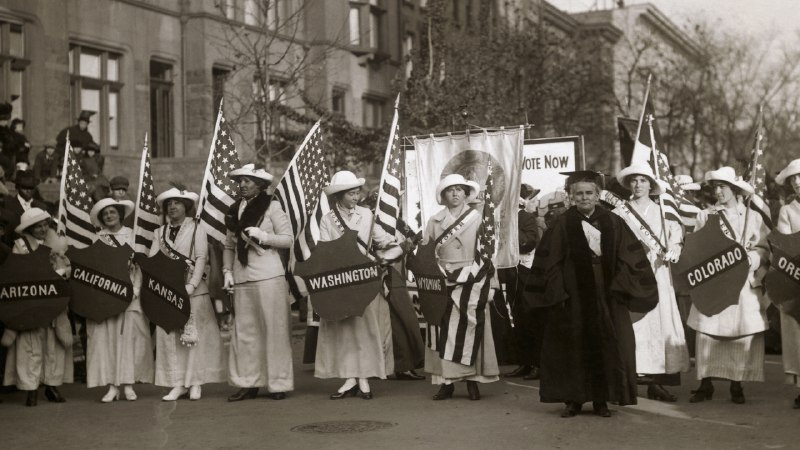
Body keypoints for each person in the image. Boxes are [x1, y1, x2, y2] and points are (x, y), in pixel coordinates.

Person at [528, 170, 658, 418]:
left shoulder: (612, 222)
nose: (584, 197)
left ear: (598, 195)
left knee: (607, 343)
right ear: (571, 196)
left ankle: (602, 400)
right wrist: (557, 292)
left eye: (589, 193)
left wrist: (621, 284)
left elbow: (629, 258)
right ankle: (573, 400)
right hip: (573, 294)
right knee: (572, 345)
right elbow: (550, 262)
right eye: (579, 194)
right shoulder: (563, 223)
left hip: (606, 292)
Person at [315, 170, 409, 400]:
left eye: (357, 193)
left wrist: (392, 250)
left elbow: (384, 240)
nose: (355, 197)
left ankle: (364, 378)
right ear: (339, 195)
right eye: (350, 193)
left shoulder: (367, 215)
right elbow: (325, 250)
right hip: (341, 280)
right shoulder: (328, 219)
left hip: (366, 279)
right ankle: (349, 378)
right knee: (345, 331)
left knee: (366, 330)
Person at [687, 167, 769, 404]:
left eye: (723, 187)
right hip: (713, 281)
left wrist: (751, 259)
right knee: (708, 332)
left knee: (738, 333)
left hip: (742, 283)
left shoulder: (752, 218)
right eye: (715, 187)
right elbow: (695, 248)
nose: (718, 191)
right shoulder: (706, 216)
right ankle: (705, 383)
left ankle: (737, 383)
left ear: (734, 190)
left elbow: (763, 249)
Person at [614, 164, 690, 401]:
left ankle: (657, 382)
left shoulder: (663, 211)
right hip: (631, 274)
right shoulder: (620, 212)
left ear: (650, 184)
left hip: (658, 273)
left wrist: (675, 248)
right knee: (634, 325)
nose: (638, 185)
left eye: (643, 181)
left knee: (660, 323)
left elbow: (675, 235)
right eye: (634, 181)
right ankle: (630, 378)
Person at [423, 173, 500, 401]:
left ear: (466, 194)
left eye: (460, 189)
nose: (455, 193)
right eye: (450, 190)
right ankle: (446, 382)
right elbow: (426, 253)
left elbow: (488, 255)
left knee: (471, 329)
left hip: (472, 279)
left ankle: (472, 381)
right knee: (443, 332)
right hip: (442, 280)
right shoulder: (434, 221)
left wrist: (492, 285)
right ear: (443, 195)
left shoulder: (478, 219)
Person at [222, 164, 294, 402]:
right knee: (245, 333)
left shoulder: (272, 206)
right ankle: (248, 382)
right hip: (242, 275)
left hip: (268, 275)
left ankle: (278, 382)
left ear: (260, 185)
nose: (242, 185)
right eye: (240, 181)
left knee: (274, 330)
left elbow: (287, 239)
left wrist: (264, 236)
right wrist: (226, 271)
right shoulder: (234, 211)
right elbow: (229, 245)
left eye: (248, 181)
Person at [149, 186, 226, 401]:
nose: (173, 207)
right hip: (168, 292)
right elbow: (154, 260)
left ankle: (196, 382)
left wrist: (191, 285)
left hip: (194, 291)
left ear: (186, 207)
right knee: (171, 337)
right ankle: (177, 383)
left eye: (177, 203)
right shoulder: (159, 232)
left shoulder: (197, 228)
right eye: (169, 204)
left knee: (193, 336)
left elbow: (201, 258)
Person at [1, 208, 73, 406]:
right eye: (37, 226)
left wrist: (60, 272)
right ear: (30, 229)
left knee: (52, 346)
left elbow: (67, 268)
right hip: (30, 303)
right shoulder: (21, 246)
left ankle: (51, 386)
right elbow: (15, 272)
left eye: (44, 225)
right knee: (30, 346)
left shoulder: (56, 246)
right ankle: (30, 388)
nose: (42, 229)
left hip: (52, 303)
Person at [86, 198, 154, 403]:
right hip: (107, 296)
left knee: (130, 340)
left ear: (120, 214)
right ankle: (112, 385)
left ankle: (128, 384)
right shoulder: (97, 239)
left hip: (131, 295)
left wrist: (135, 289)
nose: (109, 216)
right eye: (105, 213)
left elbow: (141, 267)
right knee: (108, 340)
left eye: (112, 212)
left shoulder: (133, 237)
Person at [504, 184, 544, 380]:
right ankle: (524, 361)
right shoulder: (501, 219)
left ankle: (537, 362)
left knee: (530, 317)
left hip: (525, 271)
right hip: (509, 271)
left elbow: (528, 243)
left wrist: (512, 226)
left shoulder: (525, 218)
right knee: (517, 317)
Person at [771, 159, 800, 409]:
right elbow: (783, 245)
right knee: (797, 334)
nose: (798, 183)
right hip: (796, 277)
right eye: (794, 179)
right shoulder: (788, 211)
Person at [2, 170, 48, 239]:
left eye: (31, 188)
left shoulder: (42, 207)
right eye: (25, 187)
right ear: (17, 187)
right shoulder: (7, 205)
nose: (28, 191)